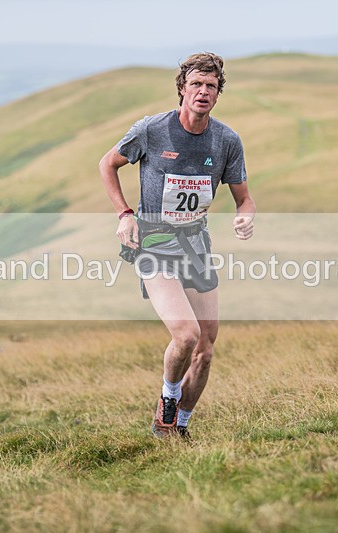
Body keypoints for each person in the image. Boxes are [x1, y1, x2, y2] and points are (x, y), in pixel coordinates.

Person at [99, 52, 255, 439]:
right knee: (185, 335)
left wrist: (245, 216)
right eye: (196, 84)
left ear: (218, 93)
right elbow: (107, 164)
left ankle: (176, 429)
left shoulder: (226, 140)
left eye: (211, 86)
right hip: (154, 244)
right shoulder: (152, 130)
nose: (203, 92)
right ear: (182, 89)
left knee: (205, 349)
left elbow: (244, 199)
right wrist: (124, 214)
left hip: (196, 246)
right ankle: (168, 399)